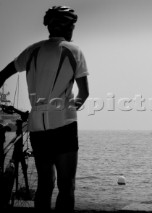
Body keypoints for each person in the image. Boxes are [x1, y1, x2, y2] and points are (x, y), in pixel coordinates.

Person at [0, 6, 89, 211]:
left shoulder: (32, 49)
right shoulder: (73, 50)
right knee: (66, 186)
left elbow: (2, 75)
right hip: (63, 124)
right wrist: (66, 108)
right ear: (68, 27)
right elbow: (84, 93)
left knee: (45, 185)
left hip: (37, 125)